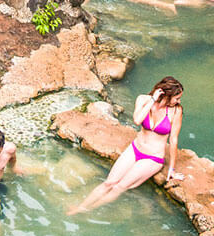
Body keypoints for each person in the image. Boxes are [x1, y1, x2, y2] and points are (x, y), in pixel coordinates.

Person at [68, 77, 184, 215]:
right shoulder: (144, 99)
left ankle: (83, 211)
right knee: (109, 183)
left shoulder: (176, 111)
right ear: (166, 95)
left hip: (153, 158)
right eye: (177, 98)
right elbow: (137, 120)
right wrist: (152, 100)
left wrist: (171, 169)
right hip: (135, 149)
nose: (179, 101)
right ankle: (81, 206)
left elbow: (174, 139)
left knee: (119, 187)